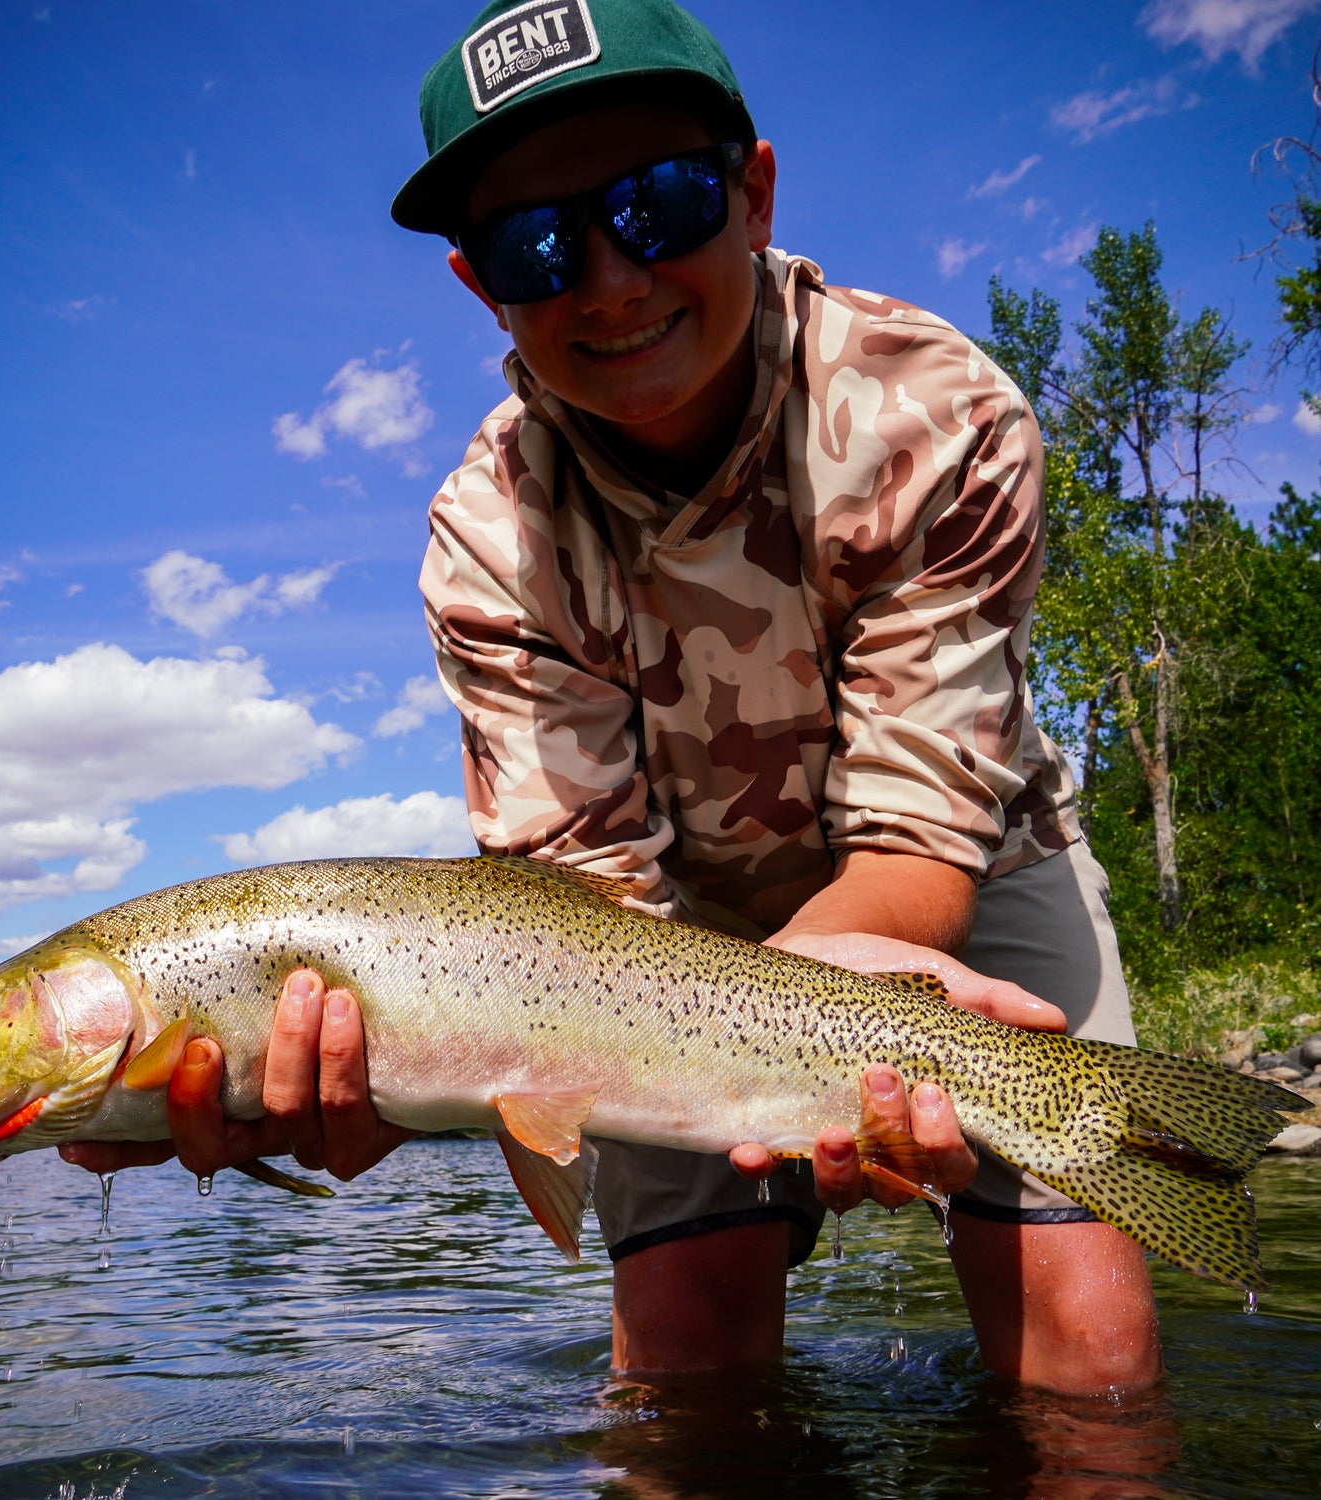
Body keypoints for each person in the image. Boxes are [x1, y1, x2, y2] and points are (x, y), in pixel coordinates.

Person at [65, 0, 1162, 1393]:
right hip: (646, 944)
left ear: (754, 194)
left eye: (660, 203)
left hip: (964, 873)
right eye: (537, 245)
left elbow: (919, 833)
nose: (609, 281)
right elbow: (570, 915)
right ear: (479, 285)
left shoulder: (940, 416)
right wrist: (390, 1094)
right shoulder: (485, 534)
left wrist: (835, 1028)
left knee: (1088, 1347)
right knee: (685, 1374)